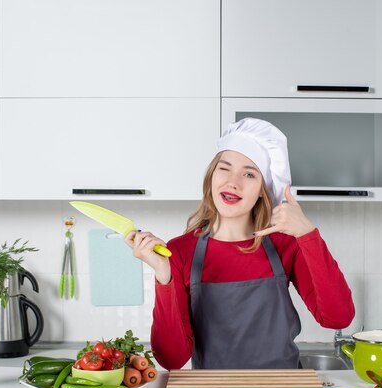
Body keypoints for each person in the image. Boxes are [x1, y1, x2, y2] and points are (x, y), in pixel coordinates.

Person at [124, 118, 355, 370]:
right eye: (224, 168)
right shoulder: (179, 251)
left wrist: (307, 234)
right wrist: (164, 275)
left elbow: (337, 317)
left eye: (249, 173)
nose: (233, 182)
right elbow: (171, 359)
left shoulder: (284, 244)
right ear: (211, 176)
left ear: (262, 190)